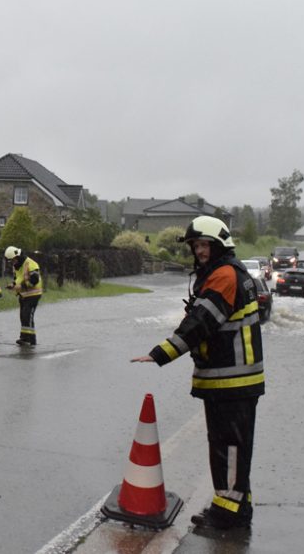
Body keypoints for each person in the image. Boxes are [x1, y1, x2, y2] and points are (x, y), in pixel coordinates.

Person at [131, 216, 263, 530]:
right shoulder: (227, 272)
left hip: (232, 381)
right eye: (196, 246)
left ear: (219, 246)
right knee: (230, 446)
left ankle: (228, 513)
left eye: (204, 245)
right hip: (230, 380)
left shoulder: (224, 276)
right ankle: (236, 505)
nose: (199, 251)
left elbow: (201, 322)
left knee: (228, 447)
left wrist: (160, 353)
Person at [4, 246, 43, 346]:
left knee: (27, 316)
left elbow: (35, 280)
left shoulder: (31, 263)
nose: (12, 263)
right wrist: (13, 285)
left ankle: (28, 339)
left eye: (13, 260)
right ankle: (28, 339)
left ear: (17, 256)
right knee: (23, 316)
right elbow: (18, 278)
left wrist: (21, 286)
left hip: (33, 294)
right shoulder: (17, 265)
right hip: (24, 295)